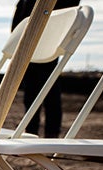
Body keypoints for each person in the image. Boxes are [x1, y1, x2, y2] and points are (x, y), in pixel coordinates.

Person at [12, 0, 80, 138]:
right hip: (28, 51)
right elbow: (17, 27)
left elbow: (71, 10)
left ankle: (51, 134)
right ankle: (31, 133)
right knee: (31, 95)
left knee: (50, 93)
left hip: (50, 46)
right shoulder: (24, 2)